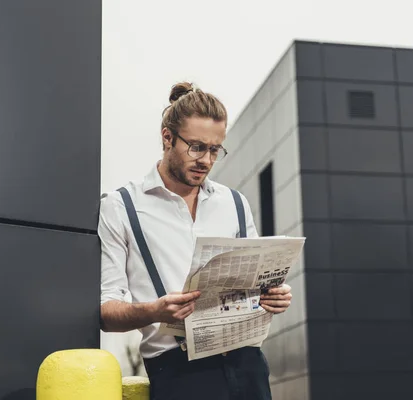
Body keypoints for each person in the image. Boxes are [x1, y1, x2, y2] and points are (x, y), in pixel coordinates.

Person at [98, 82, 293, 400]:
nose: (206, 159)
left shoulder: (234, 202)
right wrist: (155, 310)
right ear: (167, 138)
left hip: (248, 365)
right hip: (178, 374)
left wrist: (274, 296)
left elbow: (256, 284)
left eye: (215, 149)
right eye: (196, 147)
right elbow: (106, 310)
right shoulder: (120, 207)